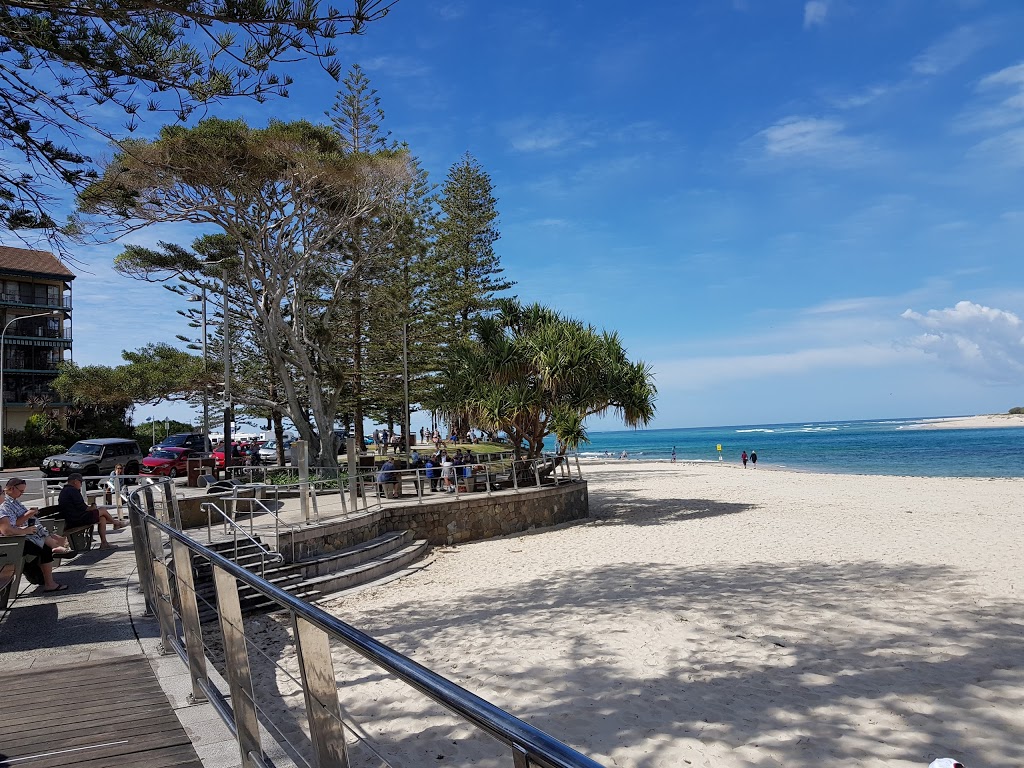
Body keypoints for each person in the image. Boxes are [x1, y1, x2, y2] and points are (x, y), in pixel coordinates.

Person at [0, 478, 68, 591]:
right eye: (2, 492)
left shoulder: (9, 504)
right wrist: (25, 530)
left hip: (13, 541)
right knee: (44, 548)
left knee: (43, 545)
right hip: (10, 544)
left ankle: (42, 577)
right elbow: (7, 531)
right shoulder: (3, 508)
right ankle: (46, 581)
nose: (4, 494)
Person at [58, 473, 126, 549]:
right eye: (80, 482)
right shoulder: (73, 491)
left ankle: (104, 543)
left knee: (102, 519)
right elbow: (84, 508)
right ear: (75, 481)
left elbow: (79, 507)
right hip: (76, 519)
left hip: (72, 518)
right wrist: (93, 507)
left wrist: (92, 508)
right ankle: (117, 523)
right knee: (103, 510)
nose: (81, 485)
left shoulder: (65, 490)